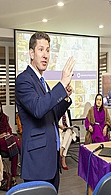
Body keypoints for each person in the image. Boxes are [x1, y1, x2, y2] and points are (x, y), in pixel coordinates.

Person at [15, 31, 75, 191]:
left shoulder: (43, 83)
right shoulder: (23, 80)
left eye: (48, 50)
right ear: (31, 53)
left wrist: (66, 97)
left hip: (51, 159)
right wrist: (61, 84)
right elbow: (38, 109)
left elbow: (52, 115)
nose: (45, 55)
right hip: (38, 161)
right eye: (41, 49)